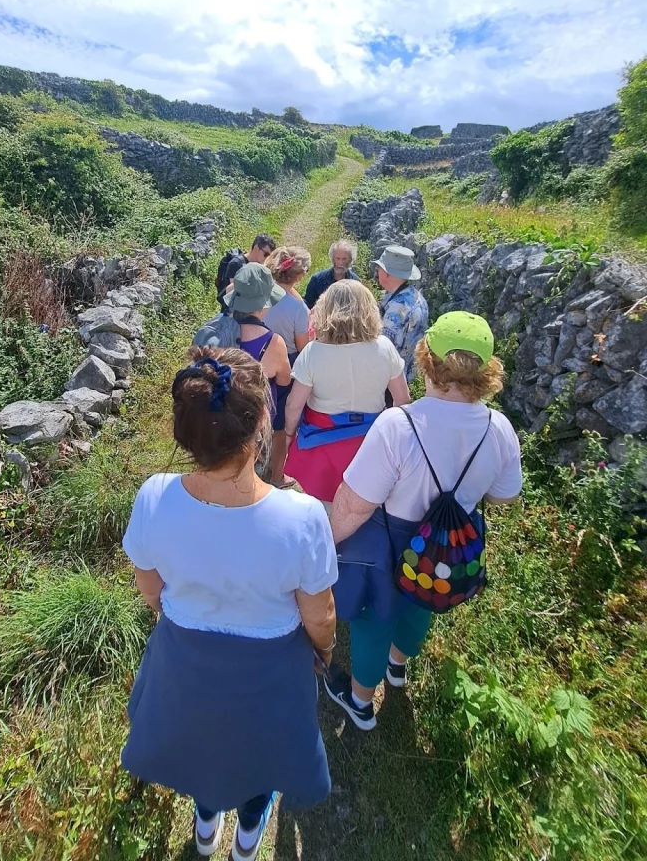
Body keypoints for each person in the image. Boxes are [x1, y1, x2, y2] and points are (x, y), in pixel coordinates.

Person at [121, 347, 337, 861]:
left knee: (202, 744)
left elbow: (149, 588)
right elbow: (321, 615)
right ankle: (247, 835)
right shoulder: (303, 517)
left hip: (185, 658)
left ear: (186, 431)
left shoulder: (153, 497)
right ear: (262, 421)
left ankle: (203, 821)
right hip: (270, 668)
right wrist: (323, 654)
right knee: (258, 757)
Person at [323, 312, 522, 731]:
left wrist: (326, 544)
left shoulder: (399, 425)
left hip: (388, 544)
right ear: (485, 369)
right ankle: (399, 666)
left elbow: (355, 505)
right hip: (447, 544)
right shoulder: (498, 428)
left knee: (374, 618)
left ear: (426, 359)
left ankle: (360, 703)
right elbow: (505, 497)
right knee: (424, 600)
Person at [283, 281, 411, 511]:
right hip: (371, 445)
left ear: (325, 310)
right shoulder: (385, 347)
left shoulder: (313, 352)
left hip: (322, 447)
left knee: (324, 510)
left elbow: (294, 405)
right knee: (365, 509)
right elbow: (402, 401)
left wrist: (289, 435)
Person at [263, 246, 312, 488]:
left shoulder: (260, 294)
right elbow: (304, 347)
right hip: (287, 362)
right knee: (280, 424)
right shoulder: (297, 309)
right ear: (299, 276)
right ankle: (277, 476)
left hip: (258, 356)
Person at [223, 263, 292, 418]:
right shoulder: (273, 343)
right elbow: (284, 382)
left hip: (219, 416)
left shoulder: (219, 330)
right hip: (254, 422)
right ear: (262, 306)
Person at [375, 245, 429, 383]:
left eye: (379, 268)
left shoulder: (396, 308)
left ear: (387, 273)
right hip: (408, 375)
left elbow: (384, 351)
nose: (377, 271)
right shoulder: (417, 297)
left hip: (391, 381)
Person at [216, 234, 276, 311]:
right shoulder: (236, 264)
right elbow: (234, 293)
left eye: (269, 256)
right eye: (266, 254)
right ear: (256, 248)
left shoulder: (260, 266)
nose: (267, 258)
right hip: (232, 312)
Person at [303, 240, 360, 309]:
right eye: (338, 258)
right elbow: (308, 305)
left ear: (350, 260)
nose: (340, 263)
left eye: (344, 259)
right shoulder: (317, 280)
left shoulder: (356, 282)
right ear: (332, 258)